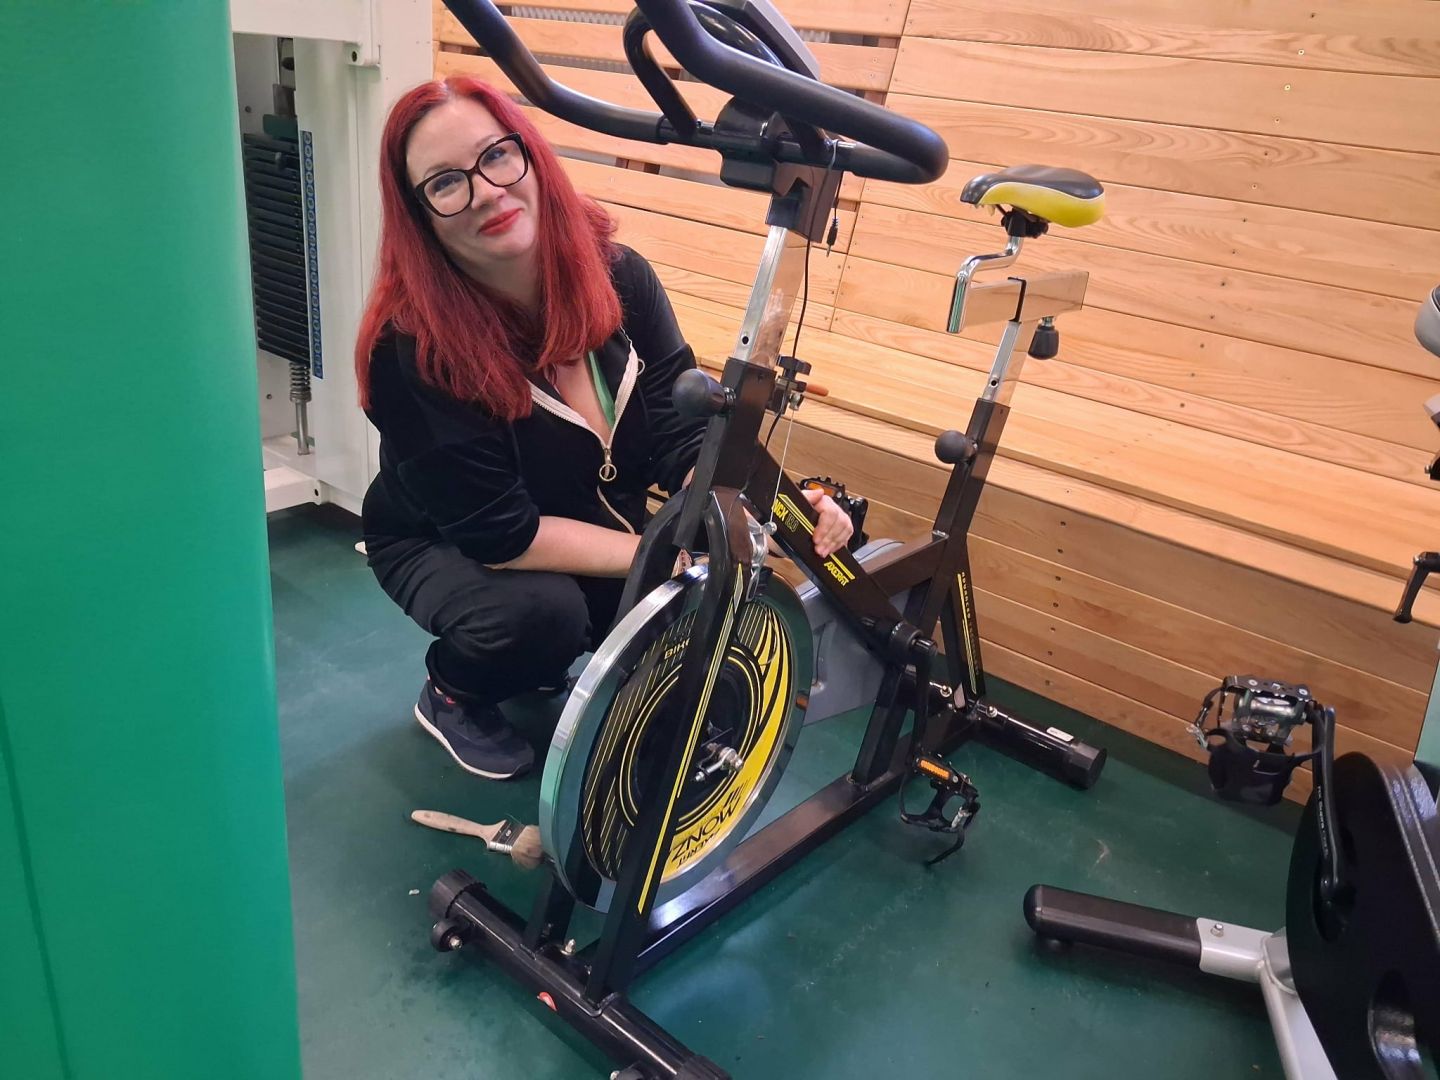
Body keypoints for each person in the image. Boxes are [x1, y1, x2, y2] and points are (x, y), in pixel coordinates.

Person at [355, 76, 853, 781]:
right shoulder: (410, 351)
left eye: (496, 156)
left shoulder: (621, 278)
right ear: (420, 215)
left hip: (582, 516)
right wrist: (662, 557)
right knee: (541, 618)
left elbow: (683, 440)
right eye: (445, 183)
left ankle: (538, 661)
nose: (486, 193)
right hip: (445, 538)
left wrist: (781, 505)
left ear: (529, 154)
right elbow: (502, 537)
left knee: (691, 645)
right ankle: (453, 691)